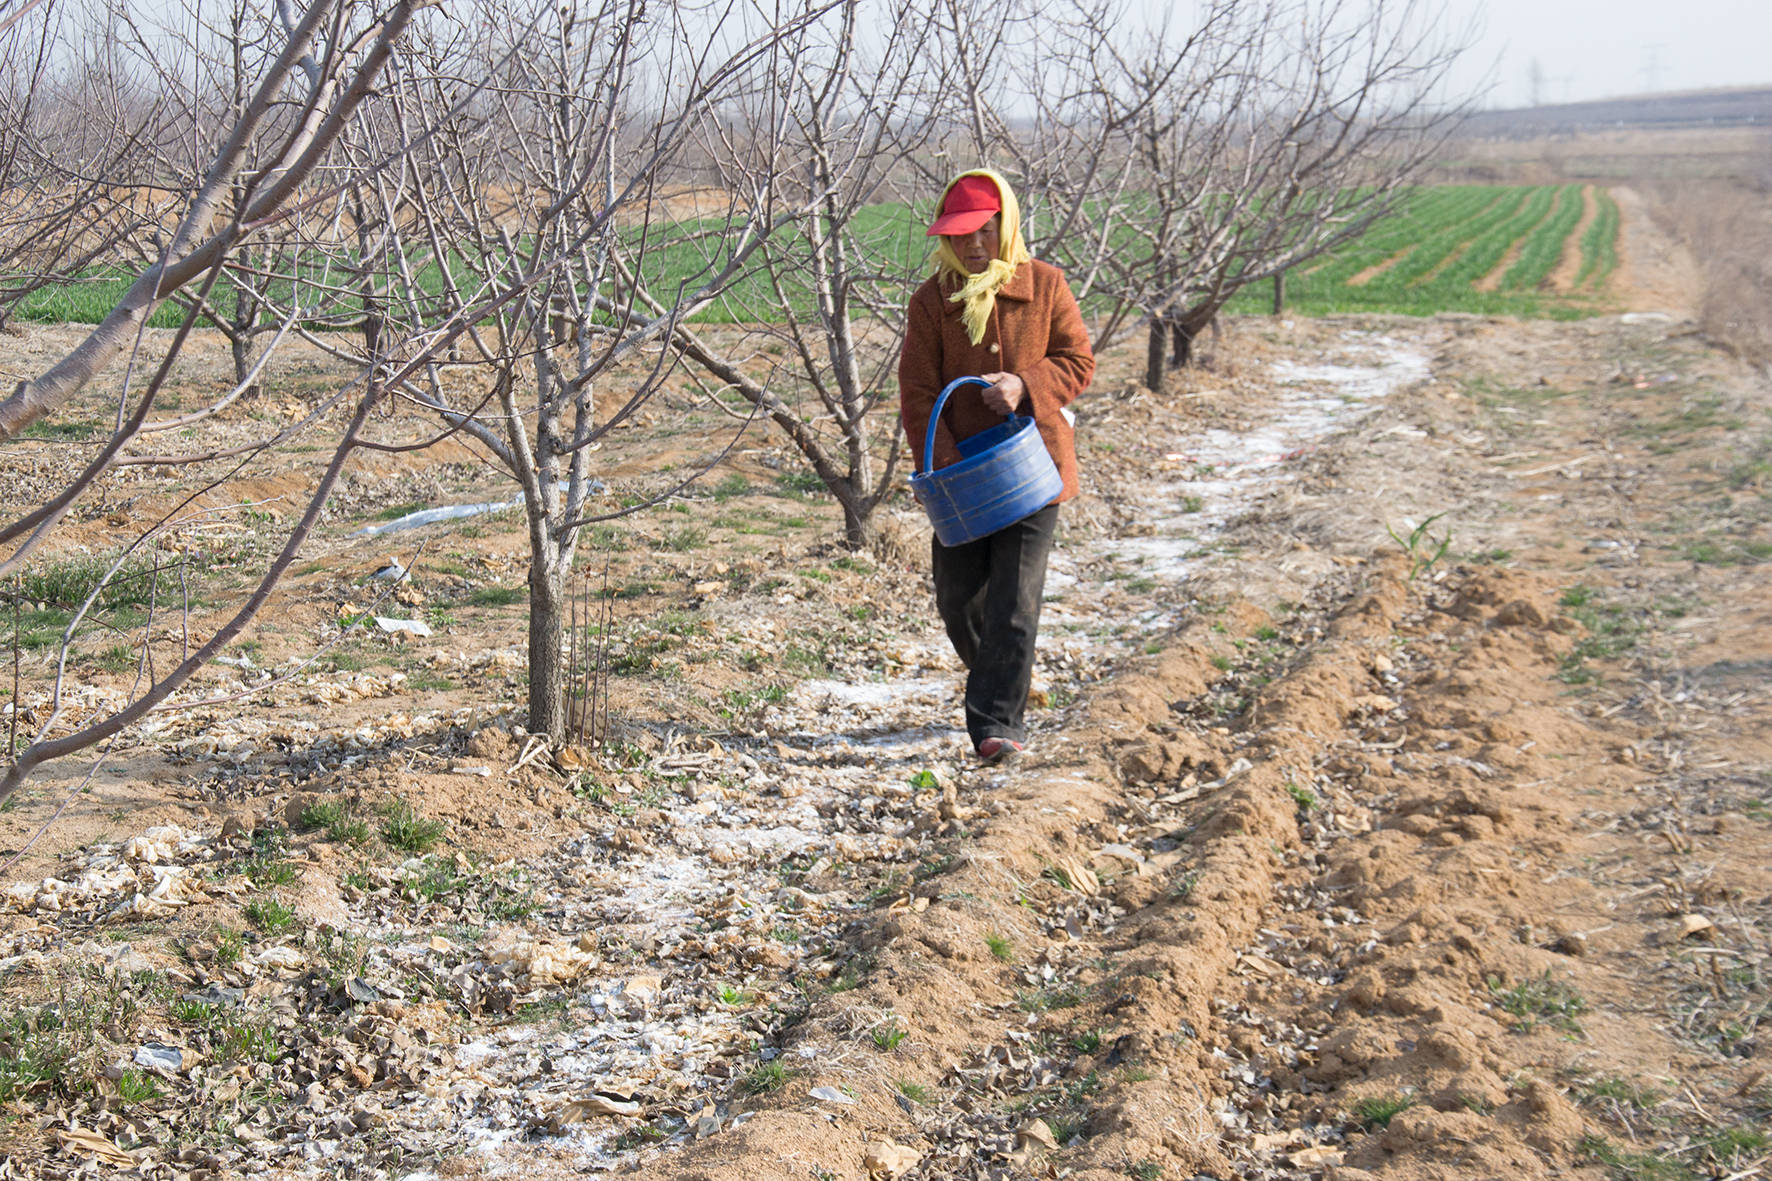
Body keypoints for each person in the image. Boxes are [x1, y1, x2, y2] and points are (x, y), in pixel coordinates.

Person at [898, 169, 1094, 763]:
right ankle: (1002, 674)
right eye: (962, 236)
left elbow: (1078, 361)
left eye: (986, 231)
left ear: (1006, 227)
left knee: (1014, 601)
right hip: (963, 478)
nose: (974, 245)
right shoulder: (932, 301)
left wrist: (1026, 384)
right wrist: (943, 465)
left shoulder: (1046, 285)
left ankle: (996, 724)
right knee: (959, 601)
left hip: (1034, 469)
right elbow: (917, 392)